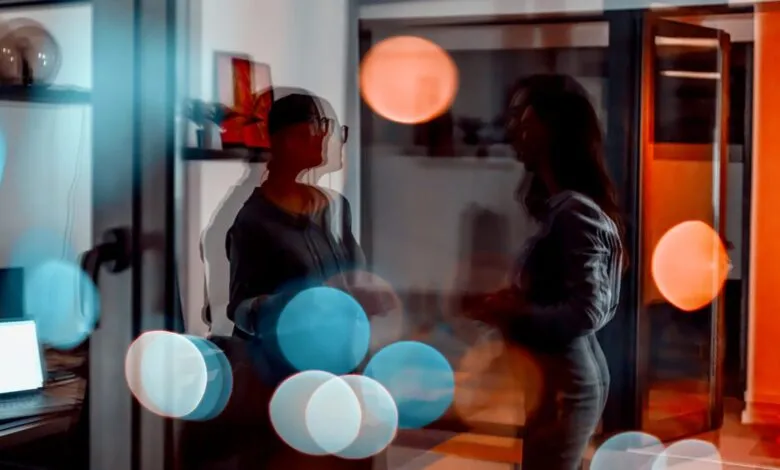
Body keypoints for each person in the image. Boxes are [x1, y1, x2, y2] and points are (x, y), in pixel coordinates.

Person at [181, 88, 371, 469]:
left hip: (342, 375)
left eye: (327, 127)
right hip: (288, 386)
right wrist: (301, 303)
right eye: (315, 127)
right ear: (282, 141)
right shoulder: (251, 220)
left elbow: (358, 283)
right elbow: (239, 311)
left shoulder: (335, 209)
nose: (325, 136)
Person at [471, 74, 625, 470]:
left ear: (552, 127)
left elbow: (588, 312)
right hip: (557, 381)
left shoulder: (575, 210)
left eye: (523, 117)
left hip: (566, 385)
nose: (513, 130)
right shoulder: (566, 207)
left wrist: (515, 313)